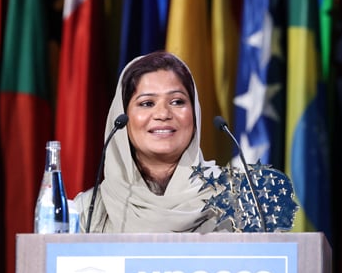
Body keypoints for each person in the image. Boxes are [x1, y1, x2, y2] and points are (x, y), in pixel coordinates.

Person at [74, 51, 228, 233]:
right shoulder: (87, 211)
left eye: (177, 102)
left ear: (195, 115)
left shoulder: (237, 200)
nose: (163, 114)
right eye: (147, 103)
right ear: (122, 116)